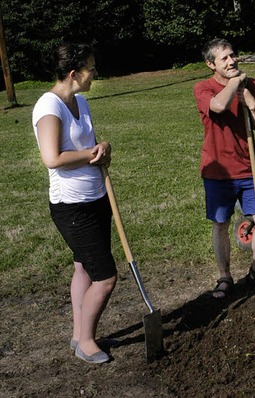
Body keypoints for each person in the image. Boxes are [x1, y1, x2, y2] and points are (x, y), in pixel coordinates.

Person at [32, 43, 117, 364]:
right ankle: (86, 341)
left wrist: (102, 146)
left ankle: (78, 333)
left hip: (97, 197)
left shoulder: (80, 101)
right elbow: (51, 158)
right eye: (91, 69)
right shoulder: (48, 107)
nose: (95, 74)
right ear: (73, 73)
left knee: (83, 266)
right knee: (105, 278)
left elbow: (90, 143)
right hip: (72, 206)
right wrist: (91, 155)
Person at [193, 38, 255, 300]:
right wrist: (234, 83)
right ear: (211, 64)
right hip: (219, 172)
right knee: (221, 224)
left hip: (250, 168)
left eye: (233, 56)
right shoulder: (203, 88)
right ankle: (225, 277)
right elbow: (217, 106)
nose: (231, 61)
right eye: (224, 59)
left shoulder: (252, 86)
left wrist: (251, 102)